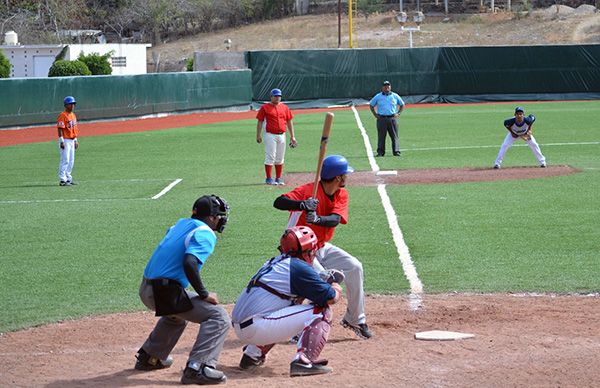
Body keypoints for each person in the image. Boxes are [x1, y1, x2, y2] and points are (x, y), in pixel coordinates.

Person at [273, 154, 373, 339]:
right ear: (338, 177)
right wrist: (302, 204)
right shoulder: (309, 191)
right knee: (323, 282)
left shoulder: (341, 194)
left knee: (354, 267)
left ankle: (354, 319)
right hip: (299, 252)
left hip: (320, 246)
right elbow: (278, 202)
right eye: (345, 174)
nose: (347, 178)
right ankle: (297, 325)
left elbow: (334, 220)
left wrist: (317, 219)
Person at [135, 195, 231, 385]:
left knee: (177, 315)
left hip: (147, 287)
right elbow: (190, 262)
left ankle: (150, 357)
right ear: (211, 217)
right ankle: (198, 368)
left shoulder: (181, 224)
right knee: (218, 317)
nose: (221, 219)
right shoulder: (205, 233)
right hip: (163, 292)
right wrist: (204, 294)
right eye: (219, 215)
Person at [231, 226, 343, 377]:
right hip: (255, 327)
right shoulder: (298, 267)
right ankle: (303, 361)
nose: (313, 253)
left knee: (292, 305)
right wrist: (336, 286)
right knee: (322, 311)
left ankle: (252, 355)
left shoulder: (276, 262)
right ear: (306, 251)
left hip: (242, 325)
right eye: (311, 250)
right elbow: (330, 298)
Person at [256, 88, 297, 185]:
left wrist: (292, 136)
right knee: (270, 156)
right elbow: (260, 121)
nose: (278, 98)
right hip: (270, 135)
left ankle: (278, 178)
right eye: (275, 96)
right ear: (271, 97)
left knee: (280, 156)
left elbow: (289, 121)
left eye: (279, 96)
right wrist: (258, 135)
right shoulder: (265, 107)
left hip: (282, 135)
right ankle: (269, 178)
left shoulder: (285, 107)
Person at [369, 80, 405, 157]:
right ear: (382, 87)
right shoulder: (378, 96)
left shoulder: (395, 96)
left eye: (388, 86)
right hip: (382, 119)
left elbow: (402, 104)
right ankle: (380, 152)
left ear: (390, 87)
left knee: (394, 136)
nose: (387, 87)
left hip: (392, 118)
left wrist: (398, 113)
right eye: (385, 86)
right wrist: (375, 114)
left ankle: (396, 151)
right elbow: (371, 105)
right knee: (381, 136)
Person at [57, 96, 79, 186]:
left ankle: (68, 178)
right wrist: (61, 140)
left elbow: (74, 128)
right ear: (66, 105)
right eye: (71, 104)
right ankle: (63, 179)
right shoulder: (63, 115)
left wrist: (76, 140)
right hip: (65, 140)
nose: (73, 106)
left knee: (71, 160)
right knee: (65, 160)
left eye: (73, 104)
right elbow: (60, 128)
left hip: (72, 140)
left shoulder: (73, 115)